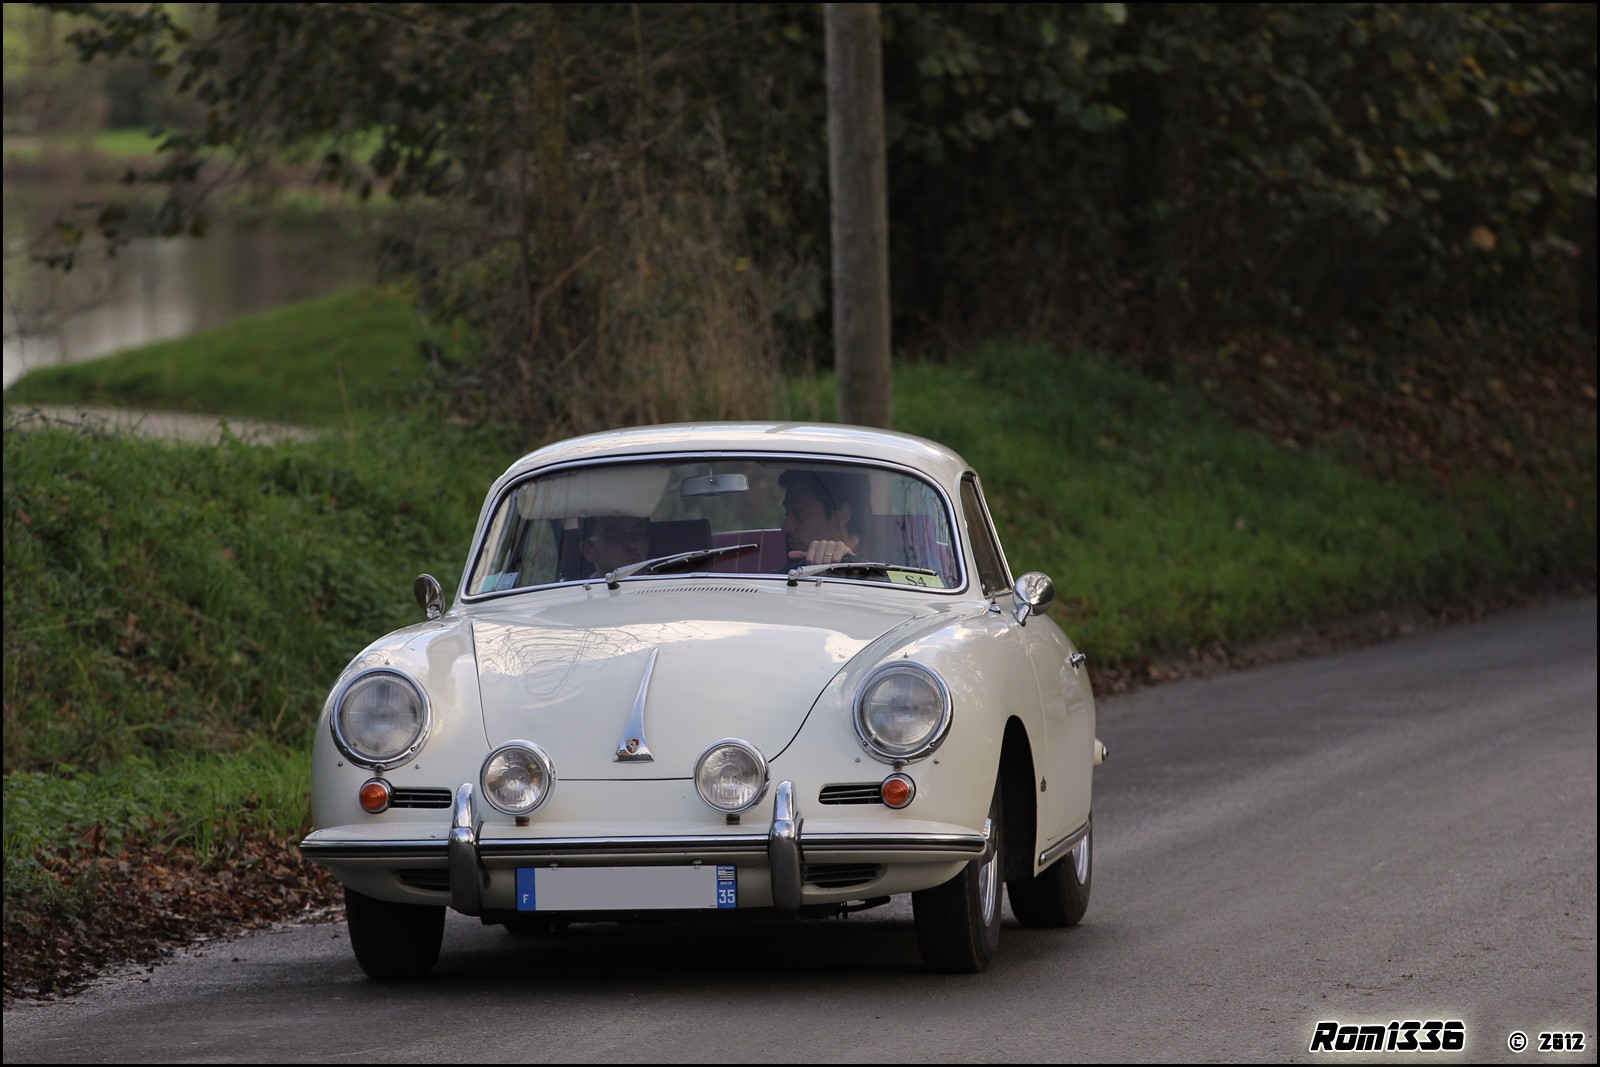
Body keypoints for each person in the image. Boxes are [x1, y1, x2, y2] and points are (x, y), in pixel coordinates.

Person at [779, 468, 869, 566]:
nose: (787, 527)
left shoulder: (884, 566)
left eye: (799, 513)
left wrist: (850, 568)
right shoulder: (789, 570)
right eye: (787, 513)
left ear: (841, 515)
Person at [580, 515, 650, 576]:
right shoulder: (576, 590)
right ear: (588, 550)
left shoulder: (660, 580)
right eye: (614, 537)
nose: (631, 545)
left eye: (638, 533)